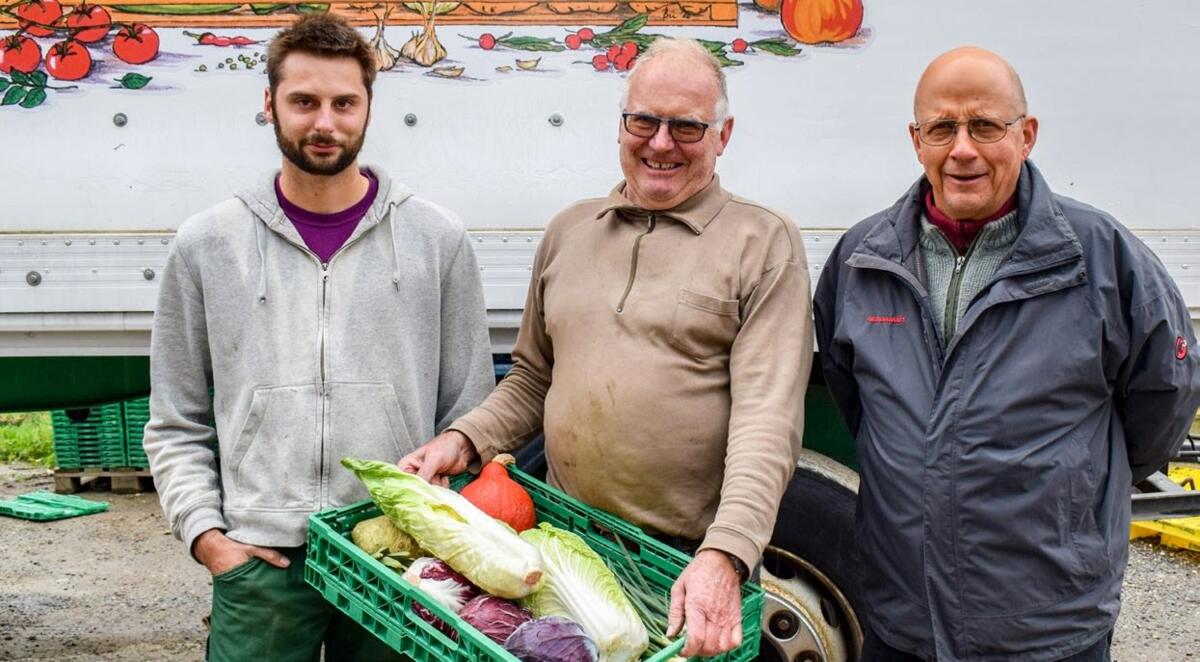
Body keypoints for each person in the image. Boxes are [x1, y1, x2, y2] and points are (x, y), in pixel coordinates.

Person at [399, 37, 812, 658]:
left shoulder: (763, 242)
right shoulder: (570, 230)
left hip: (680, 562)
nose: (660, 143)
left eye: (687, 127)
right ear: (621, 125)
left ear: (723, 136)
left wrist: (725, 554)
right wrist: (464, 439)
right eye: (643, 120)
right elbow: (534, 377)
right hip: (561, 547)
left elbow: (767, 420)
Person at [814, 46, 1200, 661]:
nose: (962, 149)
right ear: (916, 141)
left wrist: (1073, 493)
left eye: (986, 126)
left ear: (1027, 135)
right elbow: (856, 398)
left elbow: (1161, 403)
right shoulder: (863, 257)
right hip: (902, 622)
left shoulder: (1101, 257)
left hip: (1047, 626)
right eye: (942, 128)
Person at [143, 13, 494, 661]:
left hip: (396, 557)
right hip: (261, 562)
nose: (324, 122)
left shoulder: (437, 241)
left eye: (344, 102)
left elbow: (467, 412)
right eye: (303, 101)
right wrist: (210, 540)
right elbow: (176, 420)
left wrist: (441, 536)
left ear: (369, 107)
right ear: (270, 103)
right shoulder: (207, 243)